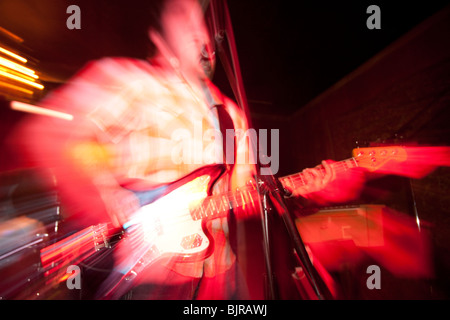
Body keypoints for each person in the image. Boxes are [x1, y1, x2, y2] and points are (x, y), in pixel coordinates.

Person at [11, 0, 362, 299]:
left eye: (203, 19)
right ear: (158, 35)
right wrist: (102, 195)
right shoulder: (129, 81)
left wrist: (306, 189)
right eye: (185, 15)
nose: (200, 29)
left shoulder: (231, 114)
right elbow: (49, 136)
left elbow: (239, 199)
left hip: (216, 278)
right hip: (144, 277)